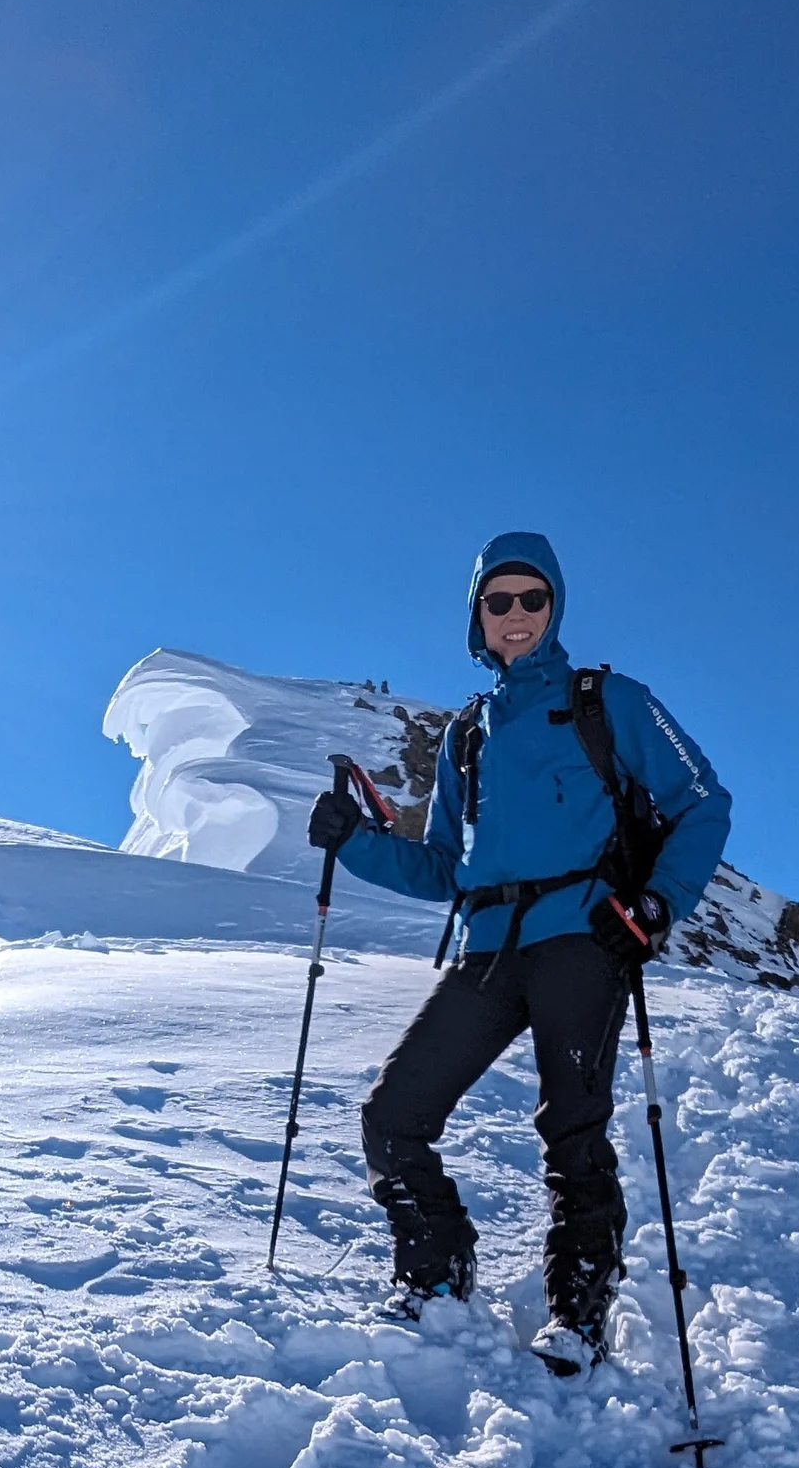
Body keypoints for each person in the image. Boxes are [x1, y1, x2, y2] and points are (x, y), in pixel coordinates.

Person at [306, 528, 731, 1369]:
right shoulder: (467, 735)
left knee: (573, 1131)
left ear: (554, 606)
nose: (516, 612)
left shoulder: (608, 701)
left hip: (583, 938)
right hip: (487, 951)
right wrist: (352, 841)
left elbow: (703, 799)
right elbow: (443, 867)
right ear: (477, 615)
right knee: (392, 1115)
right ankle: (436, 1271)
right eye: (498, 600)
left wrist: (654, 903)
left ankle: (578, 1311)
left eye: (532, 597)